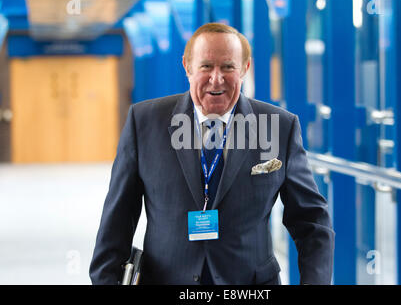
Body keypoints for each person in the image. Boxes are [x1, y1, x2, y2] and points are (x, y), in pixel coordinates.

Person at [89, 23, 335, 285]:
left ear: (245, 68)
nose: (216, 78)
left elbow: (312, 223)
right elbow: (117, 221)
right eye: (206, 66)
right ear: (187, 66)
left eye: (228, 67)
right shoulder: (145, 122)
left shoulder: (279, 127)